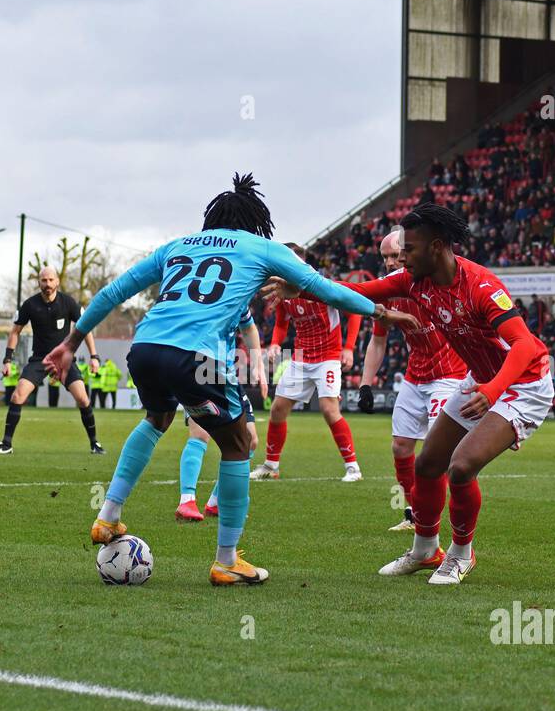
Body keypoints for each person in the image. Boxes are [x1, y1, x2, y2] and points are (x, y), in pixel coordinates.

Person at [42, 172, 415, 586]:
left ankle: (107, 517)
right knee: (237, 443)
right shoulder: (262, 247)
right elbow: (326, 289)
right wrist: (381, 312)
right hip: (197, 357)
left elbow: (113, 292)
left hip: (146, 348)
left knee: (157, 417)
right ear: (256, 222)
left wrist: (72, 342)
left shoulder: (178, 245)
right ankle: (226, 560)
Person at [267, 204, 552, 586]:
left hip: (522, 384)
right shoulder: (413, 280)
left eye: (409, 249)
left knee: (462, 466)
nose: (401, 258)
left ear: (436, 247)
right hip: (480, 381)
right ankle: (423, 550)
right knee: (426, 464)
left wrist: (492, 389)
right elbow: (354, 292)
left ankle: (461, 555)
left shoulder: (481, 286)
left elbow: (523, 347)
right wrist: (301, 287)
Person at [357, 228, 468, 531]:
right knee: (400, 447)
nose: (391, 262)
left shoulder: (435, 283)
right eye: (385, 257)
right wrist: (366, 383)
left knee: (438, 450)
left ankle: (439, 518)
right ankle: (413, 512)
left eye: (395, 255)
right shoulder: (388, 291)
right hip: (415, 374)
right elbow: (377, 341)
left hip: (450, 375)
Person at [250, 244, 363, 482]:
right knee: (278, 409)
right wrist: (274, 344)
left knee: (328, 409)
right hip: (301, 358)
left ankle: (353, 468)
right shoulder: (284, 292)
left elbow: (355, 310)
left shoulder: (322, 286)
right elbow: (282, 323)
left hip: (328, 358)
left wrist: (349, 348)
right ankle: (271, 466)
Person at [0, 266, 104, 455]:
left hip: (64, 361)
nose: (47, 284)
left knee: (83, 399)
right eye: (44, 280)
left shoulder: (68, 303)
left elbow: (85, 329)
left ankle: (95, 444)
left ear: (57, 282)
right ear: (39, 283)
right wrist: (7, 359)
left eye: (51, 280)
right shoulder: (30, 305)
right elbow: (15, 332)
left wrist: (94, 356)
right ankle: (6, 444)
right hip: (39, 360)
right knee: (18, 396)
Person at [176, 305, 269, 522]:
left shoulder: (239, 296)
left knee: (250, 440)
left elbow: (249, 327)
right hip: (198, 371)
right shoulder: (198, 296)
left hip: (227, 378)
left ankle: (215, 503)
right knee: (200, 434)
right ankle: (186, 501)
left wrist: (258, 365)